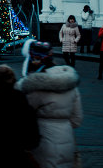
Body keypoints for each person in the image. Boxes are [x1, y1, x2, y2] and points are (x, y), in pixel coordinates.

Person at [17, 39, 82, 168]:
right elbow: (77, 119)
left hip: (42, 144)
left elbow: (22, 118)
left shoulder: (34, 86)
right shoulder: (70, 82)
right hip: (67, 142)